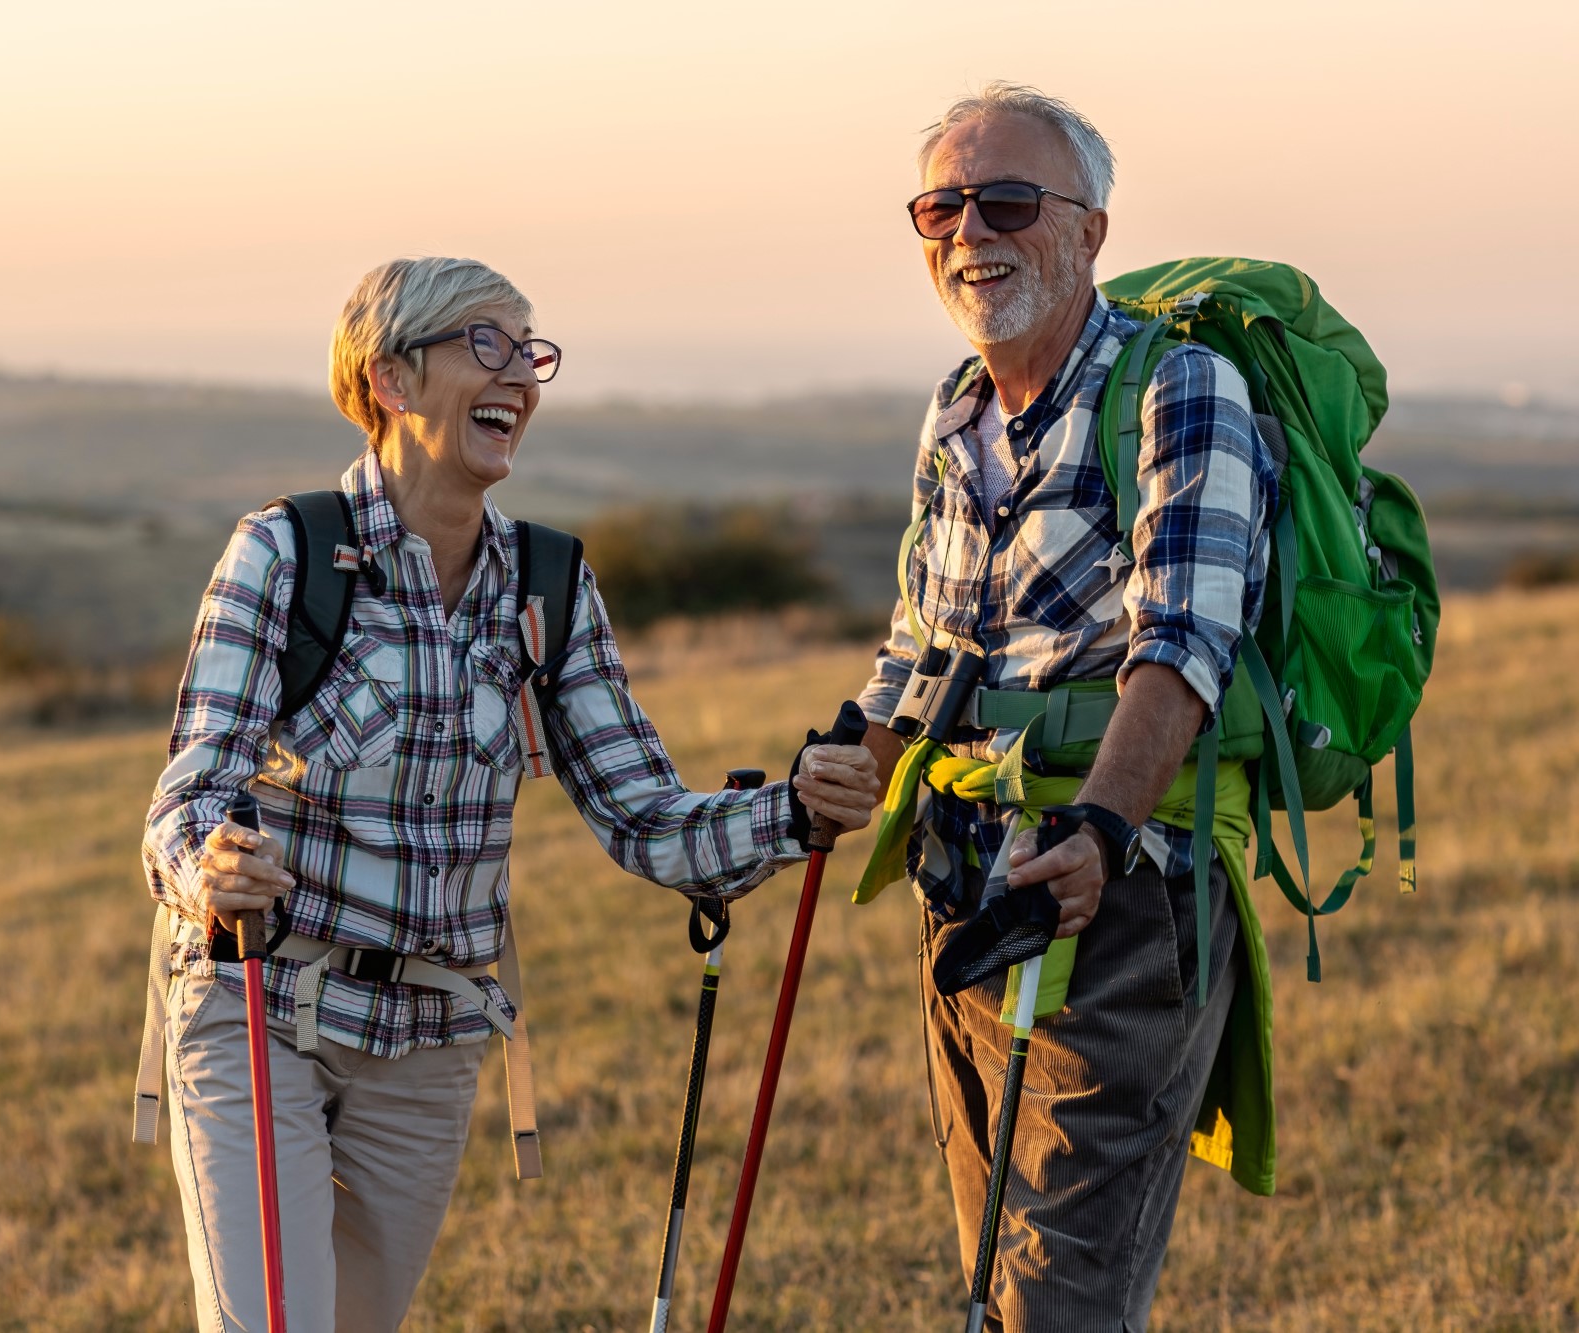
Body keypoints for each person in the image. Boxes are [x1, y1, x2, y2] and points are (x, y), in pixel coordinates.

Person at [141, 255, 879, 1333]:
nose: (521, 378)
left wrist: (795, 811)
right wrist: (209, 864)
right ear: (391, 378)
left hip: (431, 1036)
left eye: (530, 353)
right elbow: (187, 791)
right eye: (486, 345)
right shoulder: (284, 553)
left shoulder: (547, 583)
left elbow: (644, 818)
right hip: (262, 1014)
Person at [853, 84, 1278, 1328]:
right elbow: (919, 651)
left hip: (1125, 891)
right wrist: (823, 773)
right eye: (941, 205)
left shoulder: (1178, 389)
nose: (968, 231)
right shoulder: (957, 408)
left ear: (1089, 230)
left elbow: (1182, 646)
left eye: (1006, 201)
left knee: (1058, 1301)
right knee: (991, 1284)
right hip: (965, 892)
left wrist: (1095, 831)